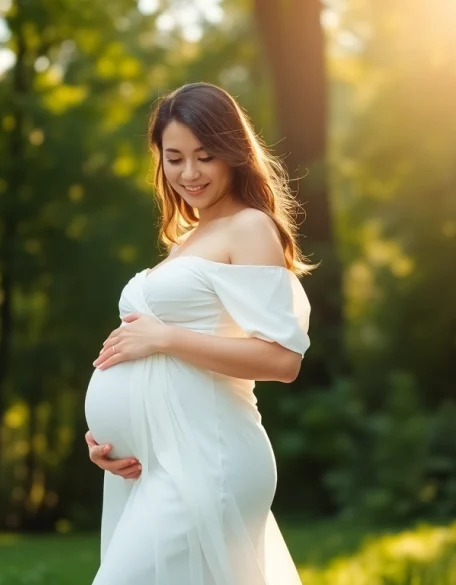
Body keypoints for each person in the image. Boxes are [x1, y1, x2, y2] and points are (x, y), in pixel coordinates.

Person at [82, 82, 313, 585]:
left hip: (211, 460)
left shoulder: (249, 228)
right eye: (174, 157)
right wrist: (111, 439)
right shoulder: (185, 242)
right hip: (157, 464)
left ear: (233, 153)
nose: (189, 173)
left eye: (205, 156)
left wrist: (164, 338)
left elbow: (282, 360)